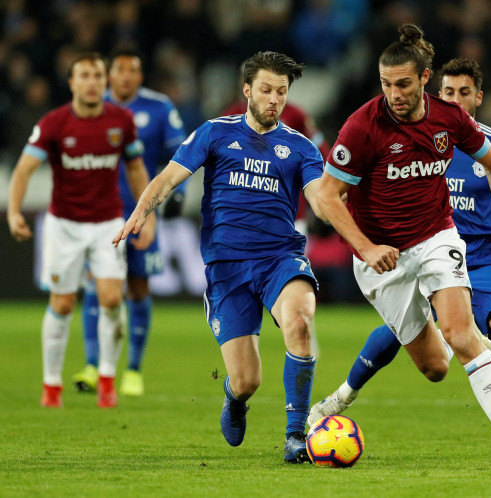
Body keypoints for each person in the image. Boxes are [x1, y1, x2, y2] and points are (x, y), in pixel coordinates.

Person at [310, 57, 491, 460]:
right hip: (392, 254)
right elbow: (329, 194)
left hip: (461, 253)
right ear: (437, 89)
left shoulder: (480, 136)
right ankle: (344, 394)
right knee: (432, 365)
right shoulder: (368, 125)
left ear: (477, 97)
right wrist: (365, 243)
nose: (456, 99)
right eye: (449, 92)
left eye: (464, 92)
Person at [112, 51, 326, 464]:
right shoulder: (215, 133)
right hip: (227, 268)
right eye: (266, 90)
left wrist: (345, 214)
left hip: (280, 258)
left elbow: (320, 200)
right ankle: (234, 398)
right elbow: (168, 178)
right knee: (247, 380)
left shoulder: (300, 147)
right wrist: (141, 213)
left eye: (281, 92)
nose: (274, 99)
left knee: (300, 323)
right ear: (247, 90)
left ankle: (295, 435)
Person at [6, 52, 154, 409]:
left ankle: (107, 380)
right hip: (64, 225)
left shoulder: (121, 121)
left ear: (105, 82)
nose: (91, 82)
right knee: (62, 302)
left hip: (108, 223)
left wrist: (146, 216)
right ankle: (51, 385)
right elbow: (23, 169)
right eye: (84, 75)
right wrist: (13, 212)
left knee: (111, 299)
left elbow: (136, 169)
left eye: (97, 76)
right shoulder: (54, 123)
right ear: (72, 83)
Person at [72, 49, 187, 397]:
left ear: (140, 76)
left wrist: (177, 195)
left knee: (138, 287)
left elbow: (180, 153)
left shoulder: (160, 107)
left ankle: (133, 370)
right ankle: (92, 365)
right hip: (100, 213)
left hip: (141, 213)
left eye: (131, 70)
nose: (124, 76)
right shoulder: (92, 107)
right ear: (110, 75)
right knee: (96, 285)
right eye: (119, 70)